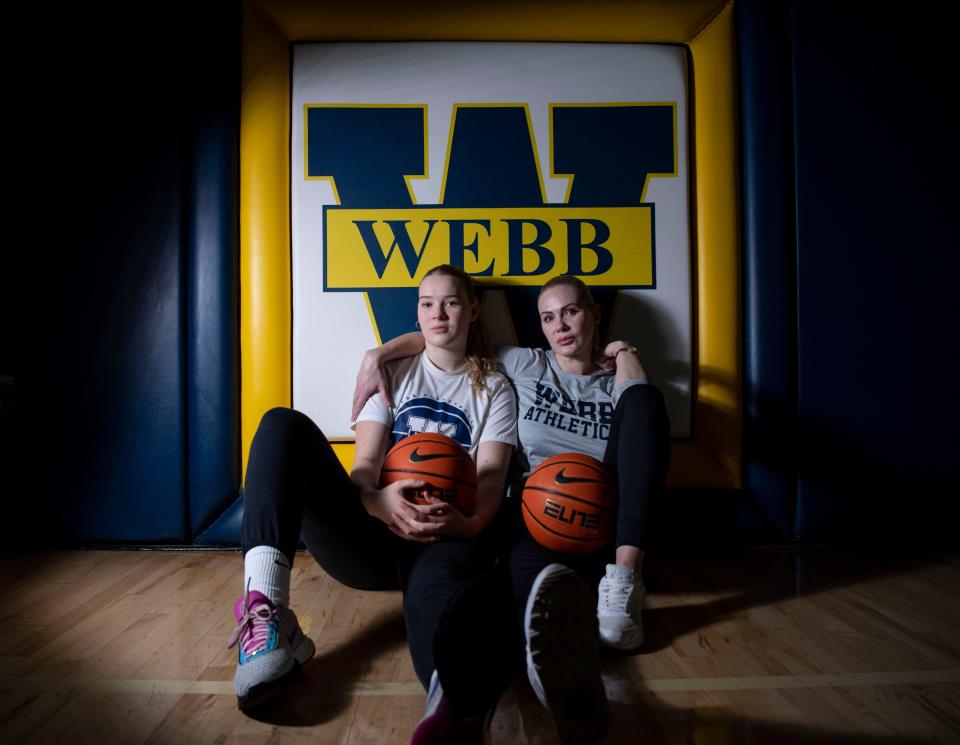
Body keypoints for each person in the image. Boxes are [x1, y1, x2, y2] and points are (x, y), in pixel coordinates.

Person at [354, 274, 671, 744]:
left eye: (572, 311)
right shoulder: (523, 364)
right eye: (548, 317)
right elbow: (445, 337)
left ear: (594, 314)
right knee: (528, 586)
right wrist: (376, 354)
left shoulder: (619, 386)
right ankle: (550, 682)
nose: (560, 325)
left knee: (647, 401)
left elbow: (642, 410)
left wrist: (625, 351)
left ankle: (624, 579)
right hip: (538, 514)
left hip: (601, 517)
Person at [230, 264, 519, 744]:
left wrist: (465, 527)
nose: (437, 313)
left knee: (438, 597)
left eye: (450, 302)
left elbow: (490, 481)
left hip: (441, 532)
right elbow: (364, 466)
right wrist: (376, 500)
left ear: (471, 309)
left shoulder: (493, 388)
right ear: (417, 312)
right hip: (371, 534)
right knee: (280, 424)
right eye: (426, 303)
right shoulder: (393, 373)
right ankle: (268, 612)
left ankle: (453, 706)